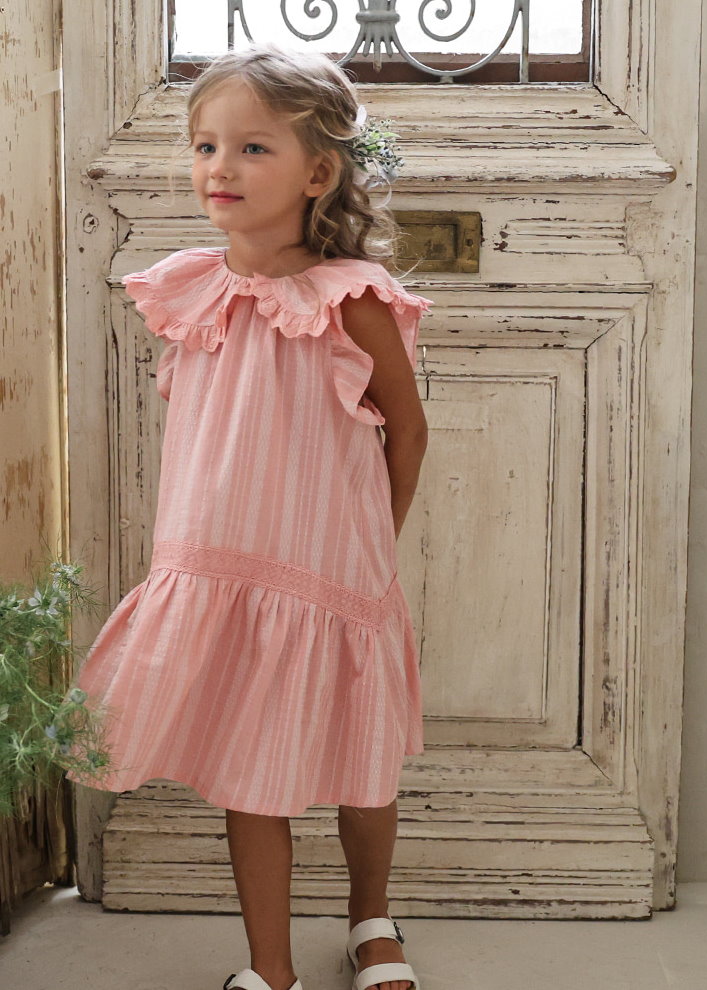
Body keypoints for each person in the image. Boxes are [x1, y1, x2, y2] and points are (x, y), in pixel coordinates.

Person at [65, 40, 433, 990]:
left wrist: (374, 546)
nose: (219, 167)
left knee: (361, 763)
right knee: (247, 767)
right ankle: (270, 968)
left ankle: (372, 921)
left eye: (251, 148)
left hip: (333, 572)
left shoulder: (351, 300)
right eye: (205, 147)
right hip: (223, 565)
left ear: (318, 172)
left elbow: (407, 432)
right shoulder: (191, 289)